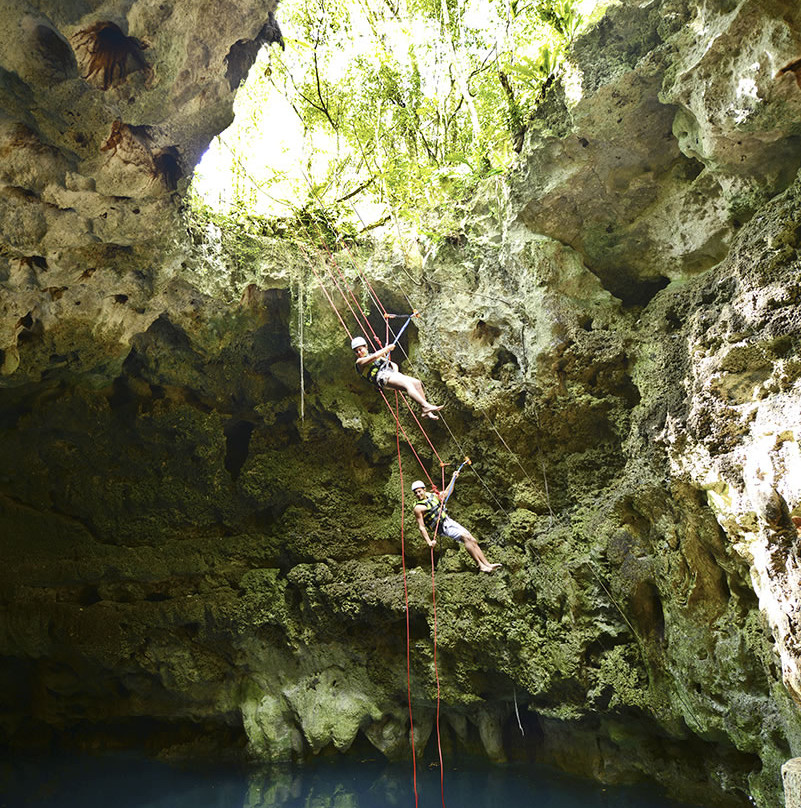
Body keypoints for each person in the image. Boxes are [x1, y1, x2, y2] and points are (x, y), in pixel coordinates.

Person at [411, 472, 501, 573]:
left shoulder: (432, 495)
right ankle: (480, 565)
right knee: (466, 538)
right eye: (416, 493)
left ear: (424, 489)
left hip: (448, 520)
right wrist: (429, 542)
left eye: (419, 491)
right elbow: (421, 527)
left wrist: (453, 478)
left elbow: (447, 492)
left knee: (472, 539)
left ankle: (488, 564)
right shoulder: (418, 508)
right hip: (442, 527)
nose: (418, 494)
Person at [351, 336, 443, 419]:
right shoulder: (359, 362)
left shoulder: (375, 356)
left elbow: (392, 364)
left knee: (417, 383)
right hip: (382, 378)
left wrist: (396, 373)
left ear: (366, 347)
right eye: (356, 351)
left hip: (390, 374)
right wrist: (387, 349)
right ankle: (425, 405)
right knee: (407, 385)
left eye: (360, 349)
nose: (359, 352)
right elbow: (375, 356)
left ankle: (425, 411)